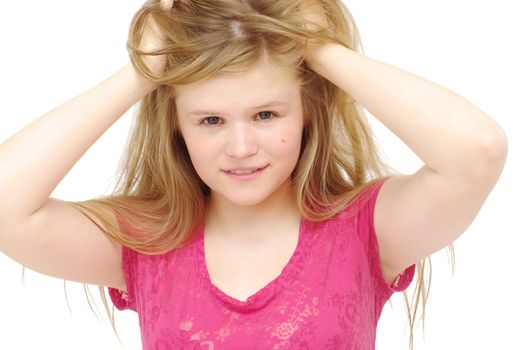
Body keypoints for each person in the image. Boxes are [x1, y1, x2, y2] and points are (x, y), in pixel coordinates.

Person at [0, 0, 508, 349]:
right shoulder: (146, 242)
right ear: (176, 126)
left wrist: (318, 50)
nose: (241, 148)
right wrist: (140, 72)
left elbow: (477, 150)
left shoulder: (366, 230)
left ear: (308, 110)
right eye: (211, 120)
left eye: (267, 115)